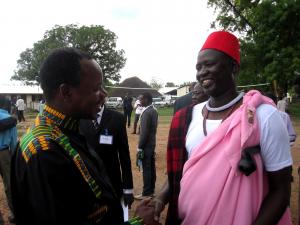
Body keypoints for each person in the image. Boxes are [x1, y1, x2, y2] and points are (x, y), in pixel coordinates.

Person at [149, 31, 292, 225]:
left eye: (209, 64)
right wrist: (161, 198)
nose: (202, 72)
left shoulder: (264, 116)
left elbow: (281, 191)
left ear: (233, 67)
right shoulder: (186, 117)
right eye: (198, 67)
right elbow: (180, 173)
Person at [11, 48, 160, 225]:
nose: (104, 95)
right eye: (96, 88)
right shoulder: (45, 153)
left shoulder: (67, 131)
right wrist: (138, 223)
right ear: (66, 92)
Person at [80, 103, 134, 209]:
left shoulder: (117, 118)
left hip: (112, 183)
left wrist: (128, 189)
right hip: (88, 184)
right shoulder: (79, 118)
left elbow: (124, 157)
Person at [135, 92, 158, 200]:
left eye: (141, 99)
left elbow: (144, 133)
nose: (140, 101)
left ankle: (146, 193)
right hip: (152, 143)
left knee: (146, 168)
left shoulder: (147, 112)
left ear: (147, 99)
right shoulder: (153, 110)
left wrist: (140, 147)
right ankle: (151, 190)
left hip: (146, 145)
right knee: (151, 167)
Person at [0, 95, 17, 224]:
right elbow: (14, 144)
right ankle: (15, 213)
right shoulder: (10, 120)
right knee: (9, 184)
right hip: (4, 154)